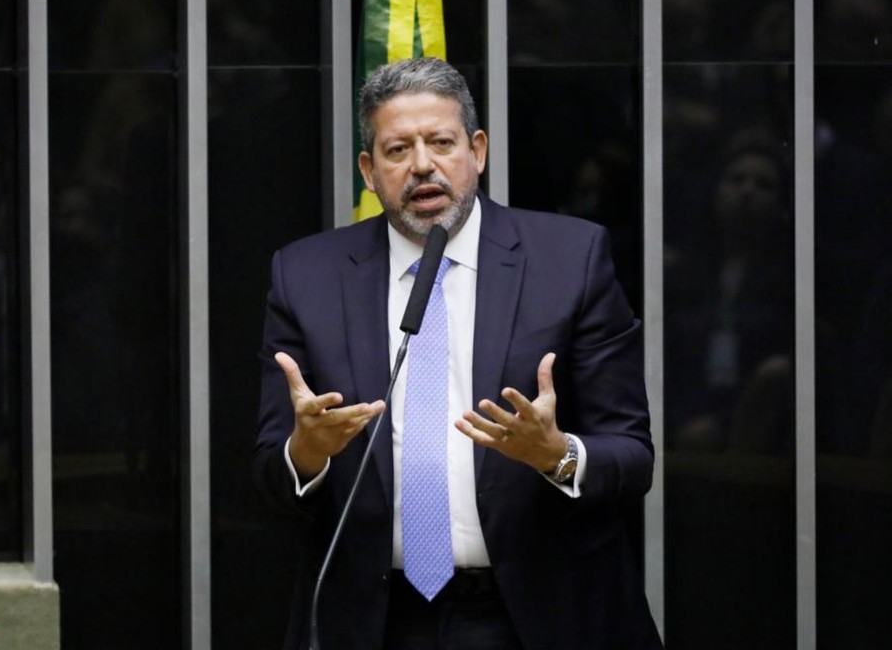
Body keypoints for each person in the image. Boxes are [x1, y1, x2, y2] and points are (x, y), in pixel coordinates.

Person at [253, 57, 661, 649]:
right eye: (397, 151)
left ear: (477, 150)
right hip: (375, 620)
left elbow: (631, 455)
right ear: (369, 171)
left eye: (441, 142)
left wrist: (556, 455)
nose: (422, 165)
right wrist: (307, 453)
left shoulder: (569, 260)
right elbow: (271, 471)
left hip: (533, 613)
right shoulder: (306, 275)